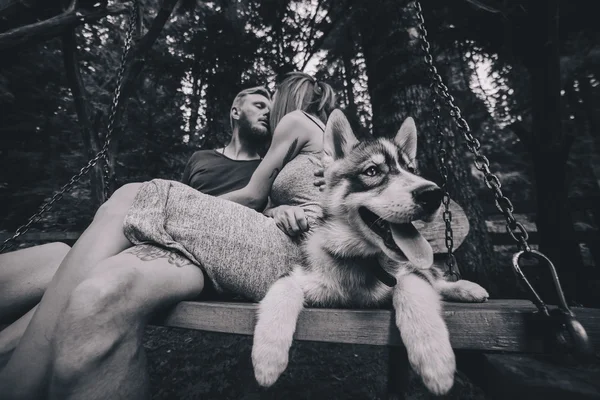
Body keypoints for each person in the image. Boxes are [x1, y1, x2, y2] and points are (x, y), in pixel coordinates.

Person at [0, 72, 336, 400]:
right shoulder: (207, 158)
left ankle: (16, 385)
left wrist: (167, 205)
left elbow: (258, 201)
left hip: (217, 250)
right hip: (190, 235)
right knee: (67, 266)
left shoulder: (284, 143)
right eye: (258, 102)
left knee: (133, 199)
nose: (268, 110)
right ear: (235, 110)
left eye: (271, 100)